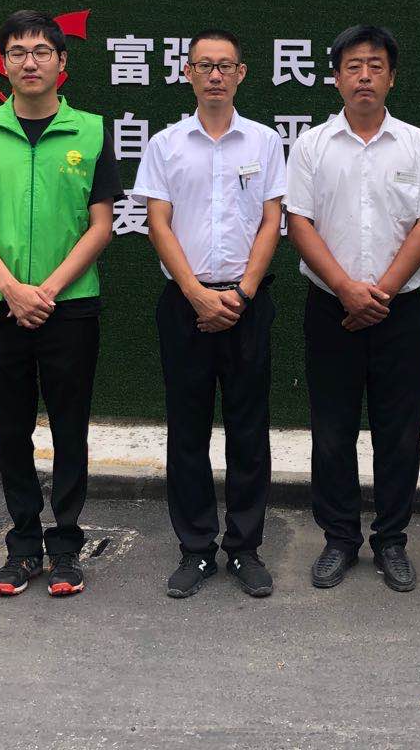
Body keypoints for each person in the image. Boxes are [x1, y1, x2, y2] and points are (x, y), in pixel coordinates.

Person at [0, 10, 122, 598]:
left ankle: (66, 545)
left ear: (62, 63)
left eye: (42, 51)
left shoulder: (90, 130)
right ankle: (22, 546)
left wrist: (47, 291)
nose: (30, 62)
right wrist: (12, 289)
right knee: (10, 428)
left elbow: (101, 224)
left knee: (70, 427)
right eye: (17, 52)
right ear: (4, 64)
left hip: (71, 307)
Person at [285, 25, 420, 593]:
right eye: (353, 66)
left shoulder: (417, 144)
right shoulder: (312, 145)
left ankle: (391, 540)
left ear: (392, 78)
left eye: (375, 66)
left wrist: (378, 293)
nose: (364, 76)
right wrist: (346, 289)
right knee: (331, 431)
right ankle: (338, 538)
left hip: (399, 312)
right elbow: (298, 222)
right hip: (330, 310)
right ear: (336, 78)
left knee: (398, 433)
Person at [130, 30, 285, 600]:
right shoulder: (166, 144)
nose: (215, 75)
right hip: (185, 304)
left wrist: (242, 294)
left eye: (225, 65)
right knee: (188, 431)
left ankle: (244, 547)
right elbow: (158, 222)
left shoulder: (264, 141)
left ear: (241, 73)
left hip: (248, 303)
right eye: (204, 65)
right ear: (187, 73)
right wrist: (196, 293)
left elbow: (272, 220)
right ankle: (196, 548)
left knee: (249, 431)